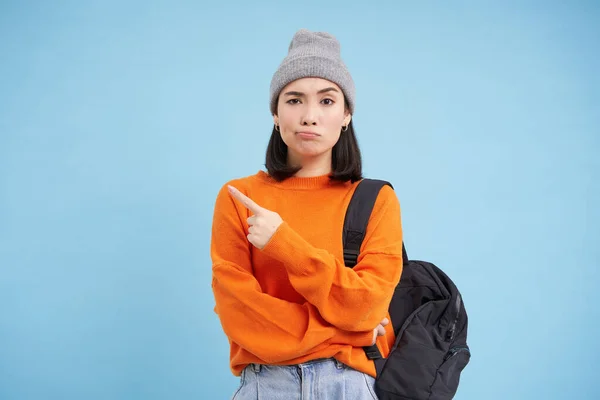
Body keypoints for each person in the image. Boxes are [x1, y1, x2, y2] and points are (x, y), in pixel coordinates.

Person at [210, 28, 404, 399]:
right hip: (266, 385)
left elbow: (368, 304)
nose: (310, 116)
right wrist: (349, 331)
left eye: (327, 102)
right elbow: (240, 315)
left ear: (347, 115)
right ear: (275, 113)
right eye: (294, 100)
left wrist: (285, 244)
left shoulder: (374, 200)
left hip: (349, 385)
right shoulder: (240, 197)